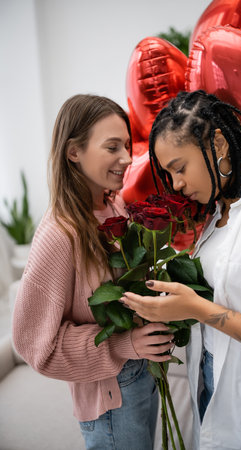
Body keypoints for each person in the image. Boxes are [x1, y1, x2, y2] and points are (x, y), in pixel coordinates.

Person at [120, 90, 241, 450]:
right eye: (168, 175)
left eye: (180, 168)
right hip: (210, 390)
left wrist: (197, 309)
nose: (177, 185)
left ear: (218, 143)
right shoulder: (220, 215)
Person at [12, 94, 175, 450]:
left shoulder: (112, 205)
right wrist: (123, 344)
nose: (127, 158)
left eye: (127, 146)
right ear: (74, 152)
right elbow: (34, 344)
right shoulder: (60, 234)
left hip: (143, 373)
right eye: (112, 146)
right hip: (111, 395)